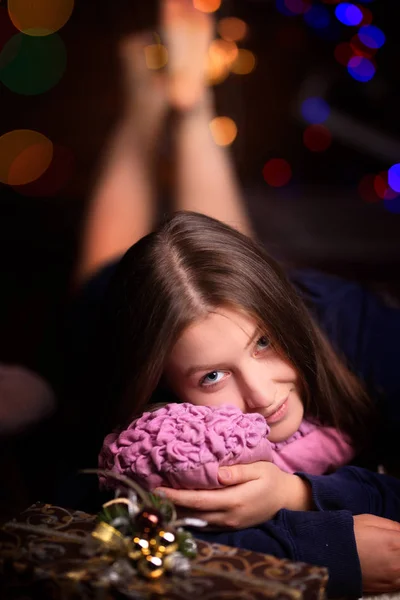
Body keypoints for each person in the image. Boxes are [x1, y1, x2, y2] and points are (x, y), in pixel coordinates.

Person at [62, 1, 400, 597]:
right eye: (213, 376)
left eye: (265, 343)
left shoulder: (351, 320)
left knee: (210, 266)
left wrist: (297, 494)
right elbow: (104, 542)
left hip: (267, 292)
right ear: (162, 382)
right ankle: (144, 106)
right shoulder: (130, 416)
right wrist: (323, 550)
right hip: (109, 308)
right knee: (103, 278)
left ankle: (188, 105)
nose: (264, 397)